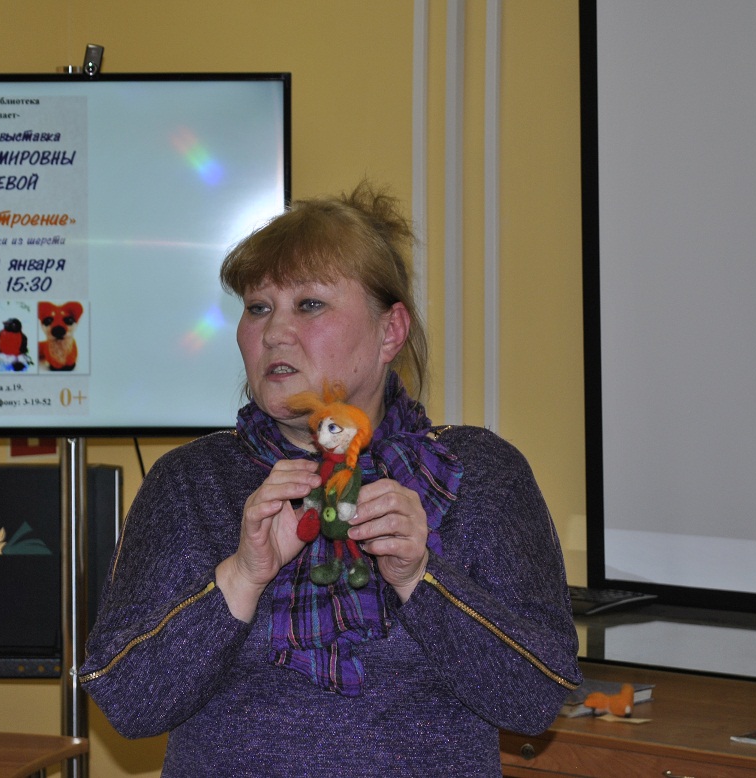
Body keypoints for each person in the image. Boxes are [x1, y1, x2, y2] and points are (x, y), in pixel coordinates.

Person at [80, 182, 581, 776]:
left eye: (310, 304)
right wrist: (241, 576)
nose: (274, 332)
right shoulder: (190, 482)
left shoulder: (479, 474)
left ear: (390, 332)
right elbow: (130, 704)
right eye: (258, 307)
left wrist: (420, 578)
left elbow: (535, 698)